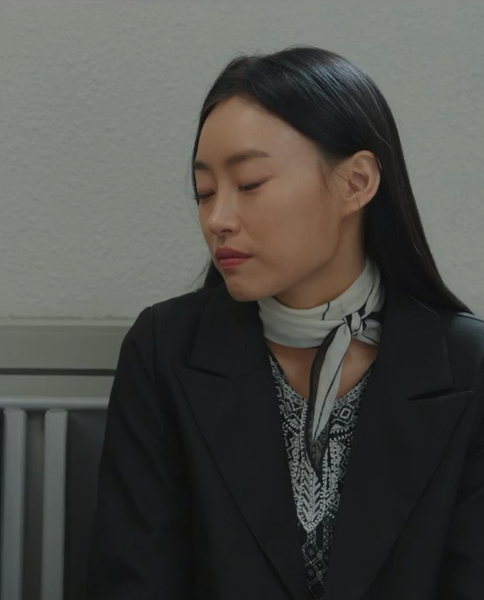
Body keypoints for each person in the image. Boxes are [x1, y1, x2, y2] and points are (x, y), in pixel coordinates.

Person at [87, 47, 484, 600]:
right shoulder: (164, 351)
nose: (218, 219)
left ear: (356, 182)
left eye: (250, 183)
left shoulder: (469, 366)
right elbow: (133, 580)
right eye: (204, 192)